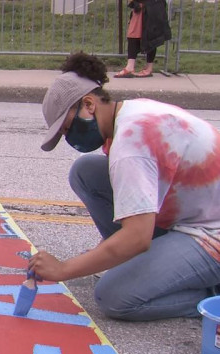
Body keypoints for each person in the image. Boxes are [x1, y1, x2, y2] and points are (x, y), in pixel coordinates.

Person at [32, 52, 220, 321]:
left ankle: (210, 293)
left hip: (210, 234)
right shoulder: (129, 112)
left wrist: (63, 269)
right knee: (85, 172)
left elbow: (137, 237)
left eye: (66, 128)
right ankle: (132, 260)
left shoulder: (131, 145)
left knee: (114, 297)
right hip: (197, 211)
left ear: (89, 104)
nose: (69, 138)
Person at [114, 0, 171, 78]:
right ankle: (131, 66)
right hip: (142, 7)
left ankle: (148, 67)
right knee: (134, 34)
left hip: (151, 7)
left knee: (151, 35)